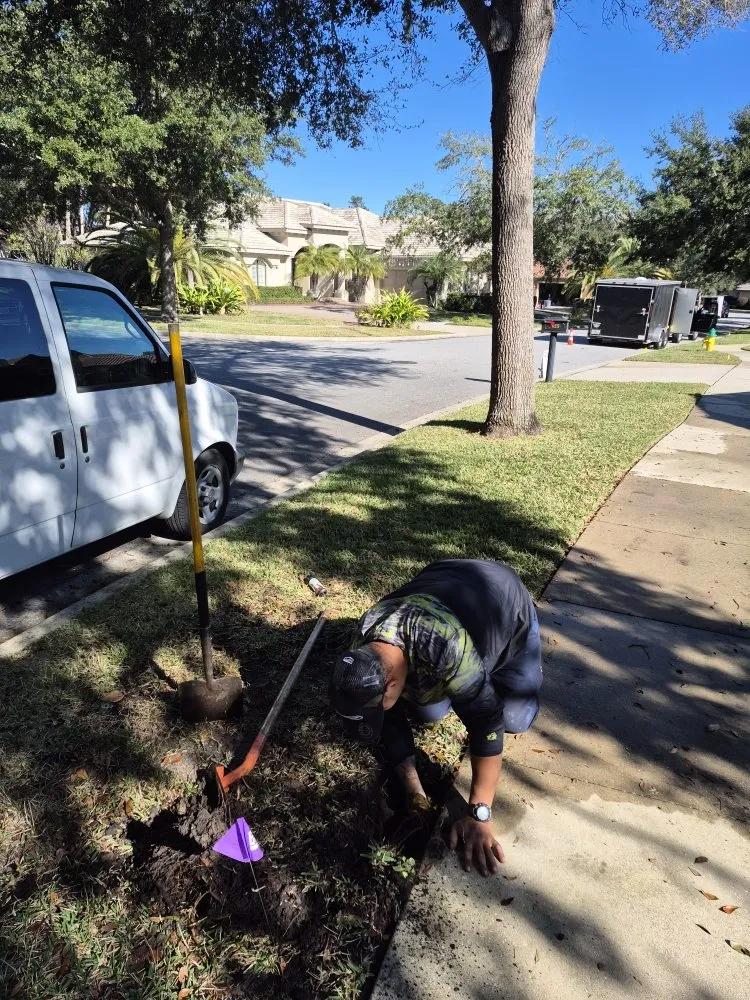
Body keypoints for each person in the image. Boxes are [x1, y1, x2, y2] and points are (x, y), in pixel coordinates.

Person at [330, 559, 542, 877]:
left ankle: (503, 670)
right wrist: (414, 792)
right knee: (427, 711)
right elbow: (388, 716)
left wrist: (480, 814)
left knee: (514, 718)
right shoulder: (364, 642)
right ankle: (469, 684)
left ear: (391, 685)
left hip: (504, 601)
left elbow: (487, 723)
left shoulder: (448, 647)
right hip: (443, 579)